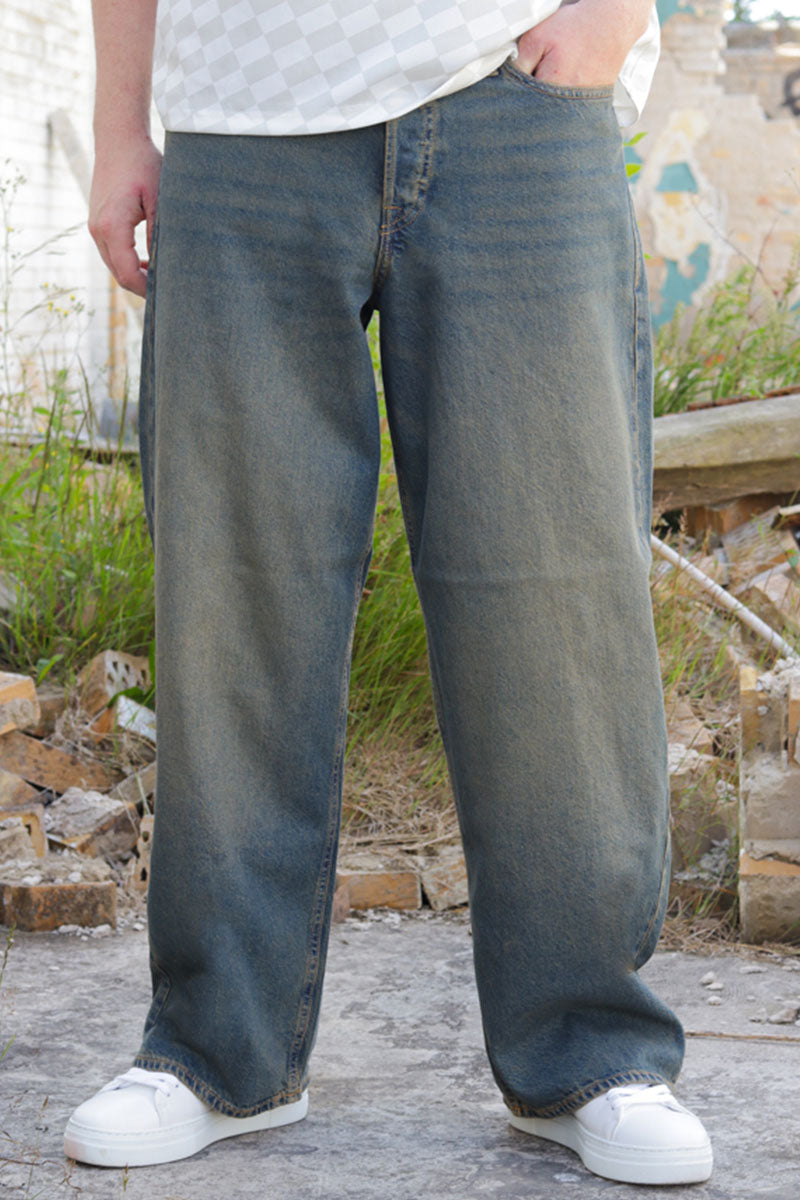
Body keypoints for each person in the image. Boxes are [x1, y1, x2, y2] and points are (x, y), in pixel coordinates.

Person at [64, 0, 714, 1185]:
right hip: (239, 115)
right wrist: (121, 130)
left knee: (554, 595)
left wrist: (612, 16)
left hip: (512, 93)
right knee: (232, 598)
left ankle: (590, 1052)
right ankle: (218, 1052)